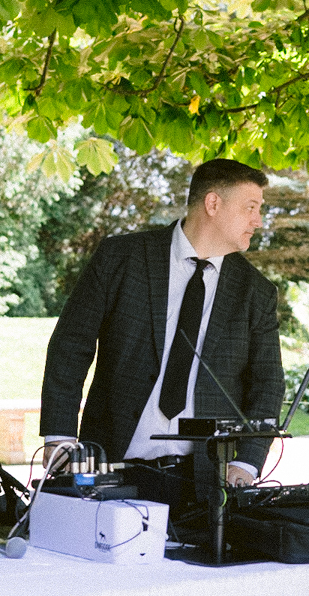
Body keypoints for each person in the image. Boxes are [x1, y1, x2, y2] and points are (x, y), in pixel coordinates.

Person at [40, 158, 284, 495]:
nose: (258, 221)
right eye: (251, 207)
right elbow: (71, 346)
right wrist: (60, 436)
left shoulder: (257, 292)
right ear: (213, 203)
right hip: (110, 468)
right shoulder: (119, 257)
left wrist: (247, 462)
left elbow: (268, 384)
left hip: (205, 482)